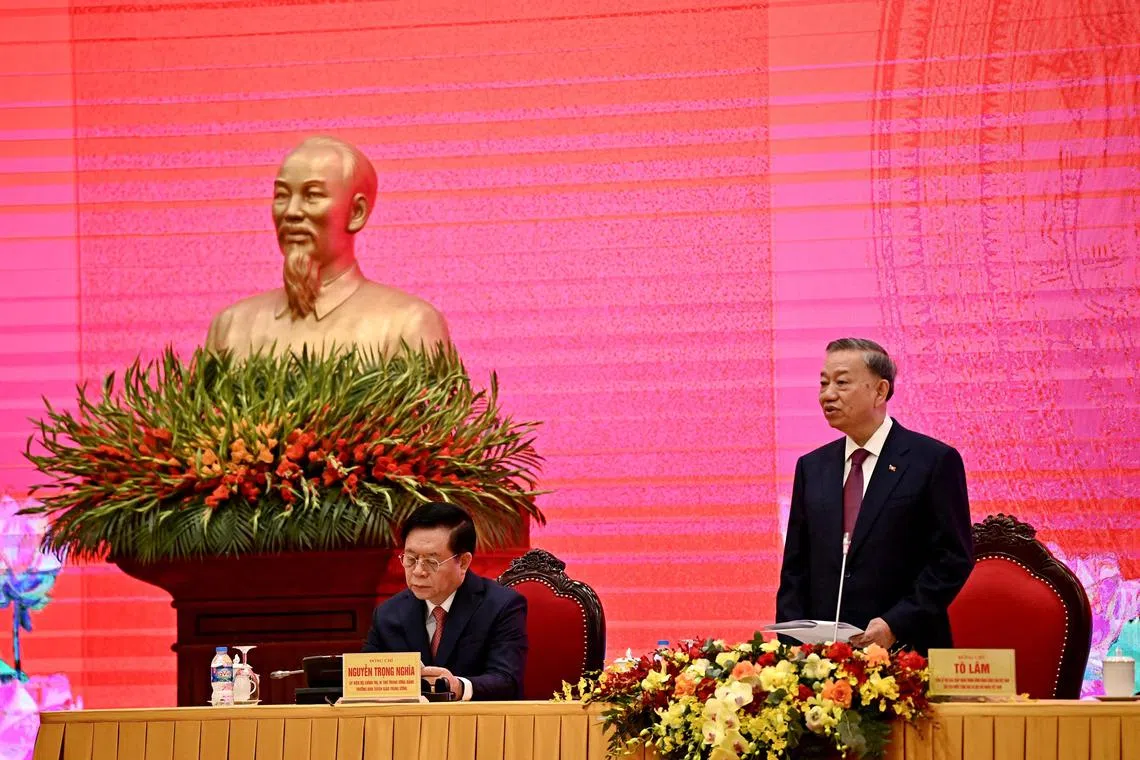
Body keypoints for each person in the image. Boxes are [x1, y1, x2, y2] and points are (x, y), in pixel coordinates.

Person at [775, 338, 974, 654]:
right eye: (824, 383)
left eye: (841, 383)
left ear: (880, 391)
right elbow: (795, 570)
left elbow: (952, 560)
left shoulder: (932, 461)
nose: (828, 394)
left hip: (905, 652)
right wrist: (791, 647)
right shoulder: (812, 467)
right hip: (821, 661)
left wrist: (896, 623)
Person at [205, 136, 450, 359]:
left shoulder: (408, 325)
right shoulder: (231, 326)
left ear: (356, 212)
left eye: (312, 195)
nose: (291, 211)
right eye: (282, 195)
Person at [363, 502, 527, 700]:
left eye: (432, 562)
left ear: (463, 562)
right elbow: (365, 681)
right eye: (411, 559)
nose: (418, 571)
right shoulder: (388, 613)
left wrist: (459, 687)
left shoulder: (501, 605)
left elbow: (507, 680)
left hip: (474, 718)